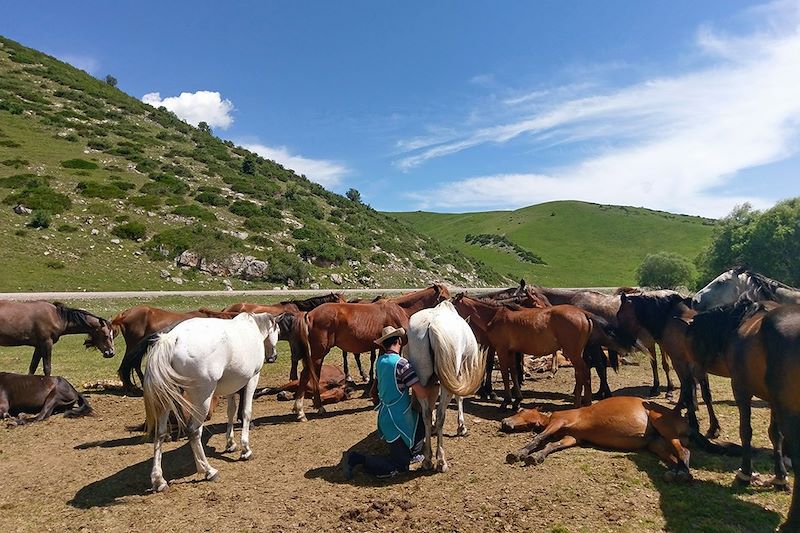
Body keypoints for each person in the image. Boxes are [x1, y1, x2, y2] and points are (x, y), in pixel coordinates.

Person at [341, 325, 432, 479]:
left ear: (384, 345)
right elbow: (422, 392)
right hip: (398, 419)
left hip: (386, 416)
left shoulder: (380, 361)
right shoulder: (402, 364)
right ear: (399, 341)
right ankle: (356, 458)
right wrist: (435, 385)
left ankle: (410, 453)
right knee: (399, 467)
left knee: (420, 423)